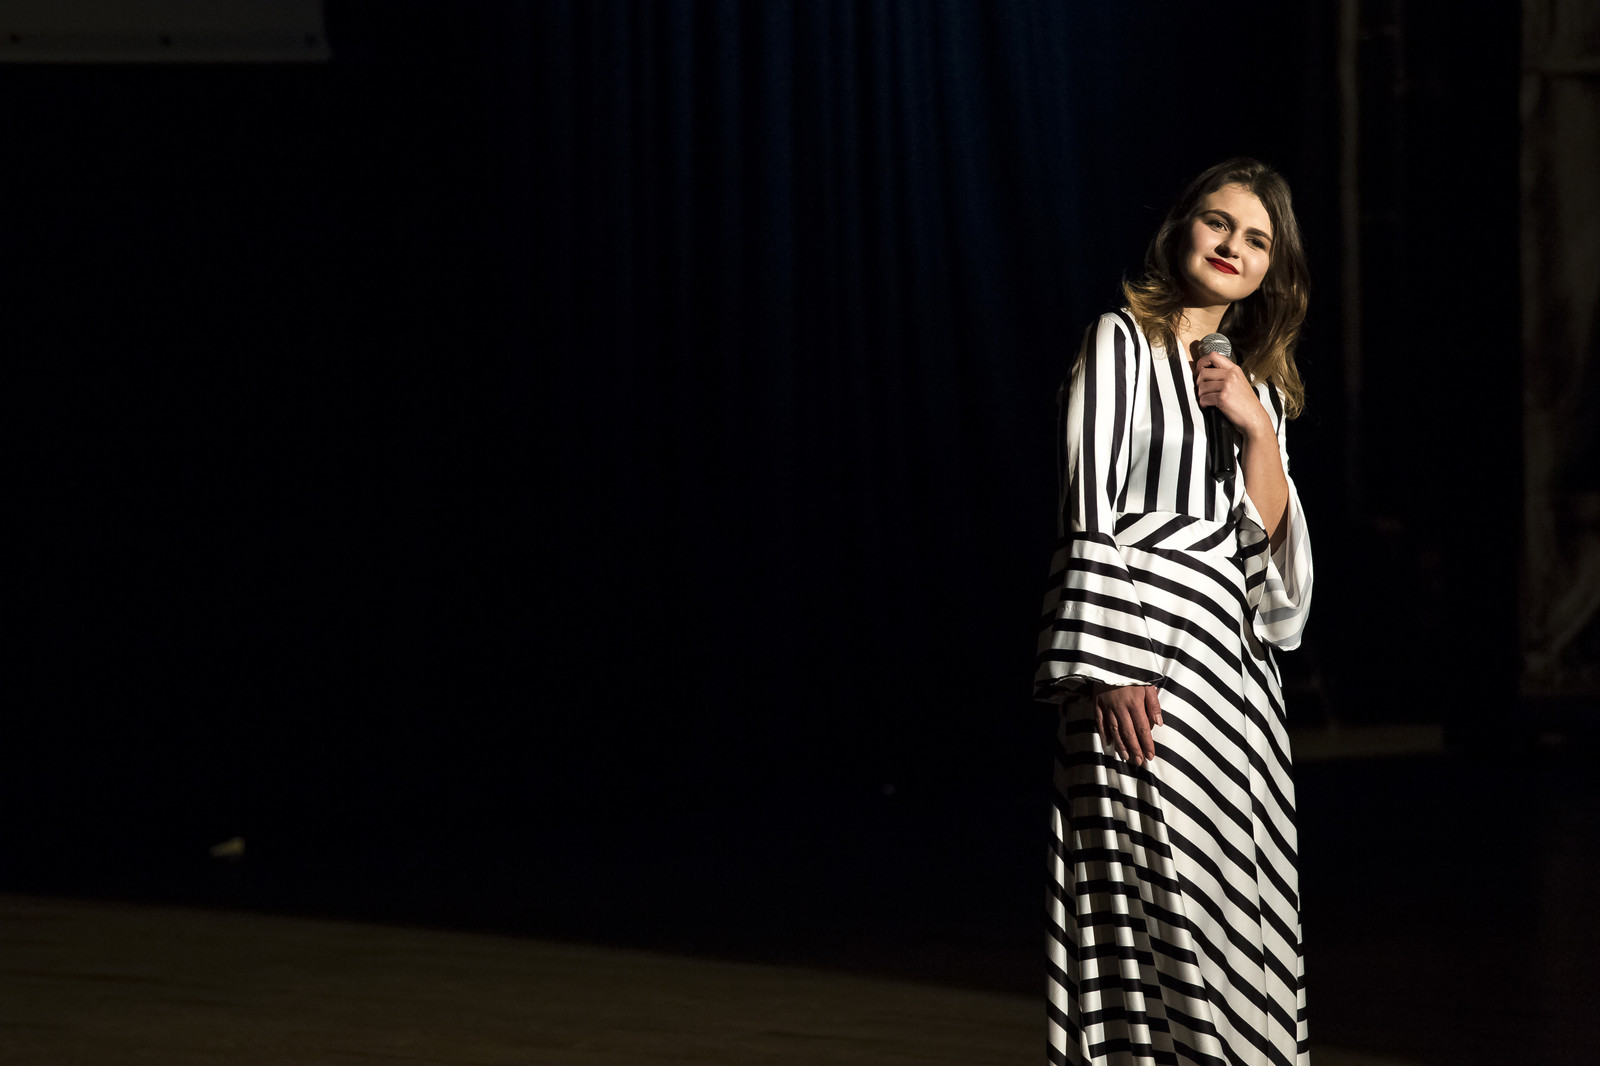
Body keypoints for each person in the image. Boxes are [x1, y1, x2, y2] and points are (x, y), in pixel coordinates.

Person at [1035, 158, 1314, 1066]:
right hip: (1138, 657)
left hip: (1233, 676)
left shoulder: (1258, 386)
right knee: (1149, 900)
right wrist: (1113, 662)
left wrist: (1256, 427)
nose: (1233, 246)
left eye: (1257, 240)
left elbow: (1269, 564)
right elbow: (1089, 502)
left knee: (1233, 900)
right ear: (1181, 228)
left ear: (1272, 270)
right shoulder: (1119, 341)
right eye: (1218, 222)